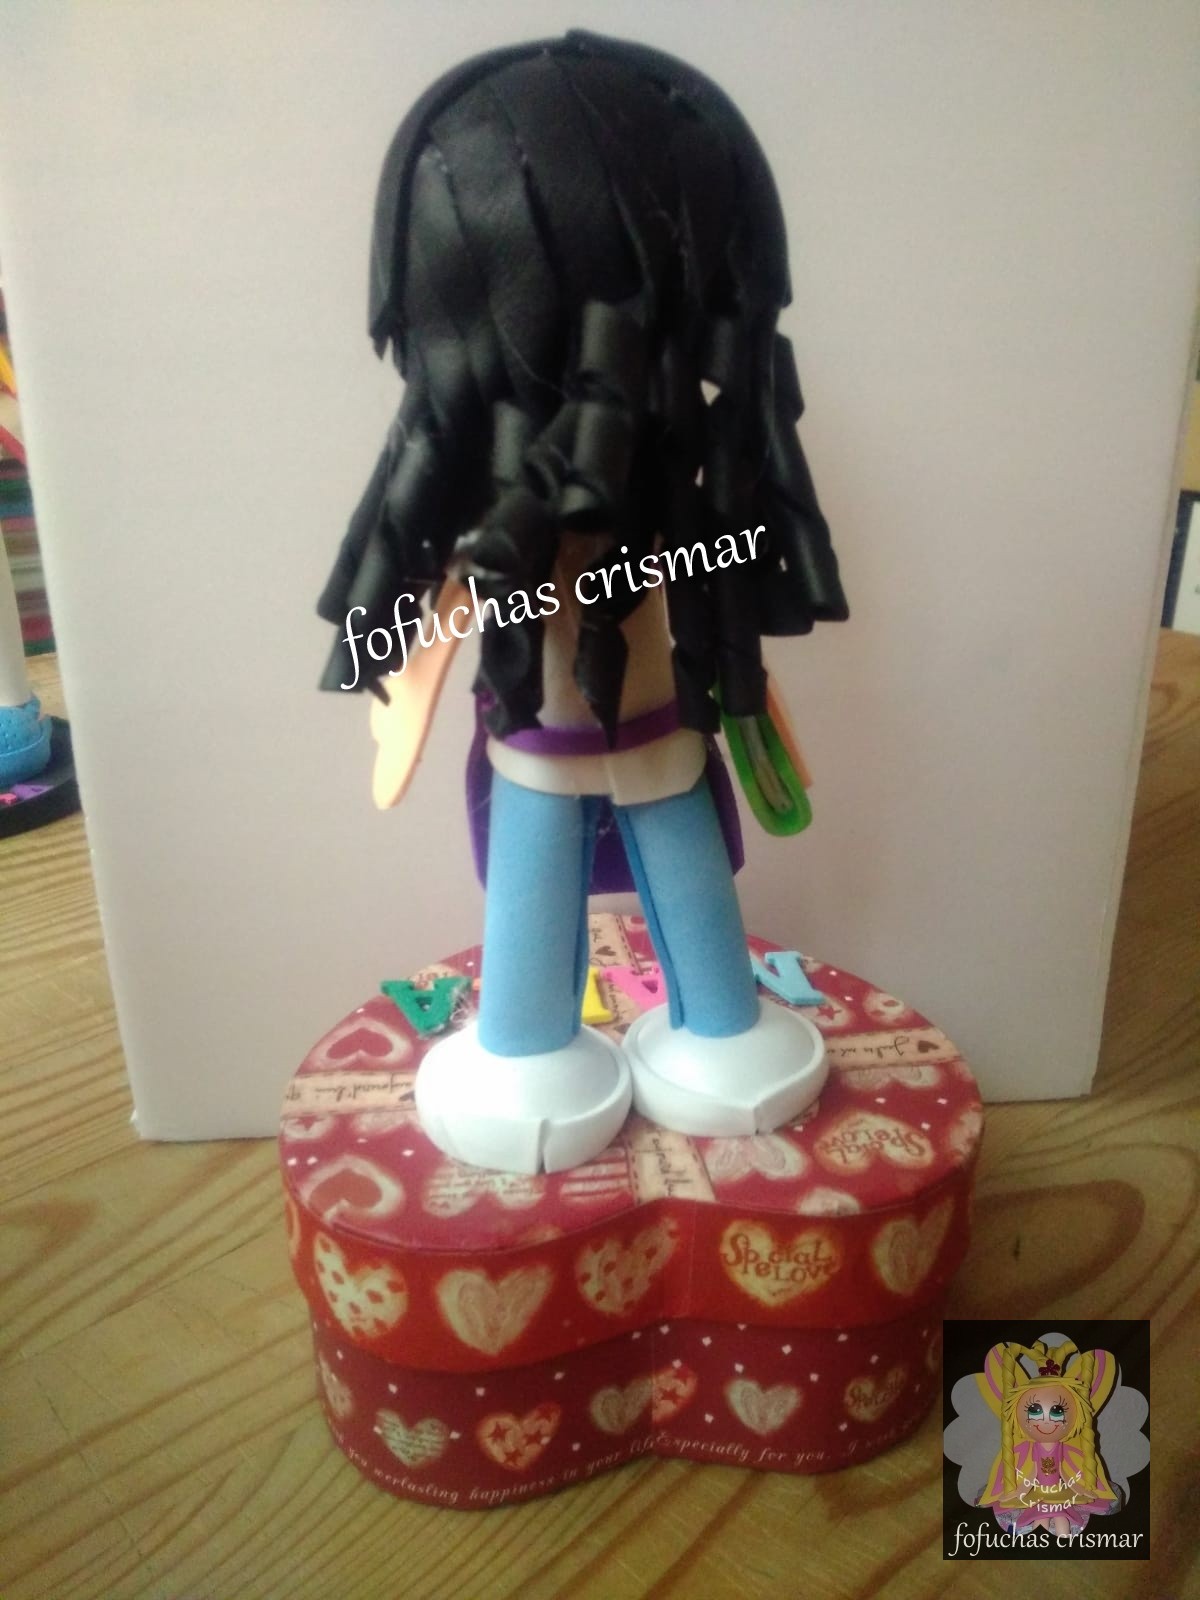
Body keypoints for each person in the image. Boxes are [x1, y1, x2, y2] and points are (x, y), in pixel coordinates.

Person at [317, 32, 848, 1172]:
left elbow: (431, 614)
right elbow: (722, 591)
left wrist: (396, 686)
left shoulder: (591, 505)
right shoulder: (676, 493)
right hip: (645, 734)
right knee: (652, 869)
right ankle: (712, 1034)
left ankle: (536, 1052)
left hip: (562, 742)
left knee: (542, 887)